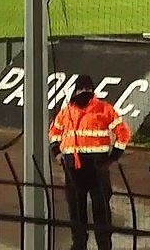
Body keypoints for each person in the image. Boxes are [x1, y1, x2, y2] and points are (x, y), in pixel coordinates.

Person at [49, 74, 132, 250]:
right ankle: (79, 246)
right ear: (75, 91)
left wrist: (113, 156)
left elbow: (123, 132)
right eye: (81, 89)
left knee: (101, 215)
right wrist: (57, 152)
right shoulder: (66, 112)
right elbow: (54, 133)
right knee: (77, 215)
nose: (84, 93)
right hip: (73, 170)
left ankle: (104, 247)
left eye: (87, 90)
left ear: (93, 91)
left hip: (97, 170)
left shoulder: (104, 109)